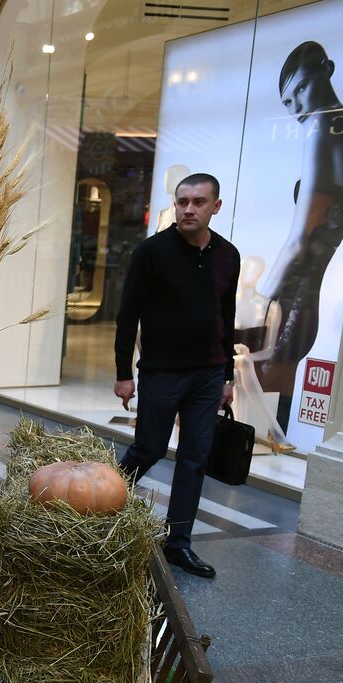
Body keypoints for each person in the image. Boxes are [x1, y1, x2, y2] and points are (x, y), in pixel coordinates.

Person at [114, 172, 238, 579]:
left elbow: (228, 318)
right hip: (161, 372)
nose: (188, 208)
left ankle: (178, 543)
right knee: (148, 448)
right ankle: (96, 507)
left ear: (215, 207)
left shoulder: (228, 255)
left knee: (194, 459)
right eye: (182, 200)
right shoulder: (152, 252)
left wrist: (227, 376)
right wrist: (123, 373)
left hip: (207, 376)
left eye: (198, 202)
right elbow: (128, 315)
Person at [255, 41, 343, 431]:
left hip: (294, 299)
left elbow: (301, 239)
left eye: (300, 90)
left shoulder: (324, 123)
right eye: (288, 102)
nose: (298, 107)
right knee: (273, 398)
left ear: (327, 69)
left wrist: (260, 298)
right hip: (306, 296)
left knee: (266, 393)